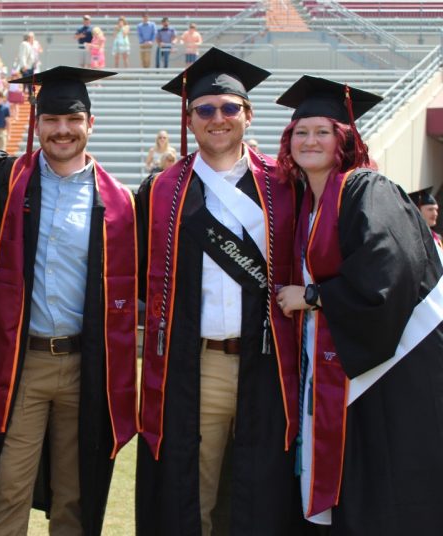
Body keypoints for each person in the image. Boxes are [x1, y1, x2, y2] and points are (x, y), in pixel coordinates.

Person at [136, 48, 304, 536]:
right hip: (198, 365)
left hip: (269, 364)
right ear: (189, 118)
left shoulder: (284, 186)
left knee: (260, 488)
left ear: (248, 115)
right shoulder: (162, 190)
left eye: (229, 108)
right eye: (205, 109)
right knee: (195, 490)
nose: (218, 119)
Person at [0, 66, 138, 536]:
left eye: (72, 120)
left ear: (90, 124)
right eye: (51, 120)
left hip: (85, 365)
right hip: (23, 363)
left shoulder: (120, 202)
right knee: (7, 489)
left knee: (75, 496)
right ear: (37, 123)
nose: (62, 130)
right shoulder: (6, 182)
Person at [275, 75, 443, 534]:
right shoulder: (308, 201)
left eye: (322, 132)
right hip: (353, 367)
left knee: (391, 485)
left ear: (343, 138)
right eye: (300, 132)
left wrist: (312, 297)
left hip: (395, 366)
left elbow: (388, 274)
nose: (310, 141)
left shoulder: (366, 188)